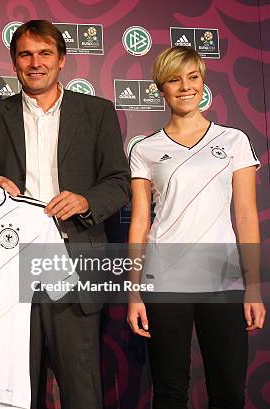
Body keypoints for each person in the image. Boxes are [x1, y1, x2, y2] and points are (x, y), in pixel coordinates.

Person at [0, 19, 130, 409]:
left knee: (81, 391)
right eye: (25, 54)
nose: (35, 62)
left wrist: (86, 202)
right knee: (15, 392)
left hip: (74, 259)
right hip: (11, 265)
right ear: (14, 62)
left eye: (44, 53)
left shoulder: (97, 112)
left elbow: (119, 182)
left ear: (62, 60)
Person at [126, 46, 266, 409]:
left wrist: (252, 288)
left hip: (223, 279)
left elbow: (247, 216)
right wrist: (134, 292)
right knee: (170, 392)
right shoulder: (145, 148)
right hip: (165, 279)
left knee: (229, 391)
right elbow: (141, 221)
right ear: (161, 88)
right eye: (174, 79)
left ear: (203, 83)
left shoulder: (234, 141)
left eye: (192, 77)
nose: (185, 87)